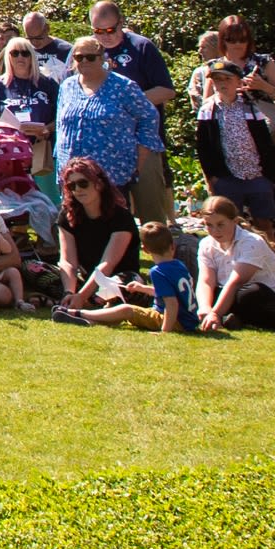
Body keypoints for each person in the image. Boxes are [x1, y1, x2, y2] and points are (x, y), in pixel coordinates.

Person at [55, 33, 169, 240]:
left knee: (112, 229)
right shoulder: (67, 87)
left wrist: (140, 157)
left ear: (103, 59)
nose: (84, 62)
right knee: (78, 229)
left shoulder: (123, 86)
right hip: (73, 176)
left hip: (111, 174)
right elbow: (61, 126)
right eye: (79, 57)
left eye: (91, 57)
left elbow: (149, 118)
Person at [86, 0, 177, 220]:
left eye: (110, 30)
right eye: (98, 31)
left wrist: (126, 101)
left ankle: (159, 249)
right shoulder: (88, 52)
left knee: (150, 210)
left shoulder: (141, 47)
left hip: (141, 142)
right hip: (103, 145)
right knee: (111, 212)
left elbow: (166, 91)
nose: (105, 36)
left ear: (121, 23)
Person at [197, 58, 275, 236]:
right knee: (229, 224)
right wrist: (213, 178)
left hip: (256, 174)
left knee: (264, 224)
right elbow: (203, 148)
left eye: (227, 79)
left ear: (238, 82)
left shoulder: (251, 107)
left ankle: (269, 260)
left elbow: (265, 143)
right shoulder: (208, 110)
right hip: (227, 177)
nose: (222, 84)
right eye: (217, 80)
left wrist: (267, 175)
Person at [51, 156, 143, 316]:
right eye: (72, 186)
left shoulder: (121, 217)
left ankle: (90, 302)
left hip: (116, 278)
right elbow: (68, 262)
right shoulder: (67, 216)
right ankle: (72, 300)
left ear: (99, 184)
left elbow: (108, 263)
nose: (78, 189)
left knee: (125, 285)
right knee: (31, 267)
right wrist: (69, 292)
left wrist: (82, 295)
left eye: (83, 183)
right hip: (85, 280)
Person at [196, 195, 275, 331]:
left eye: (220, 224)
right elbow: (206, 280)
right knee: (200, 290)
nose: (215, 231)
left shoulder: (251, 242)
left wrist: (215, 313)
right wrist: (205, 308)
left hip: (272, 305)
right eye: (209, 225)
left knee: (250, 293)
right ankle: (232, 318)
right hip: (231, 294)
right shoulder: (206, 244)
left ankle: (226, 316)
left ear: (234, 221)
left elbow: (236, 282)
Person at [61, 221, 189, 330]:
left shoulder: (159, 271)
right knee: (121, 311)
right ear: (173, 245)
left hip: (176, 321)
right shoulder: (179, 265)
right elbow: (169, 292)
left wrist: (165, 331)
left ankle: (78, 314)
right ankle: (92, 320)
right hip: (187, 319)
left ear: (145, 249)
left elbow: (171, 303)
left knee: (126, 310)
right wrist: (142, 288)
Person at [0, 37, 62, 199]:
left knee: (49, 199)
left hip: (41, 149)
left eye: (25, 53)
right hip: (11, 150)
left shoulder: (47, 83)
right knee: (17, 199)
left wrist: (47, 129)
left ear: (32, 56)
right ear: (8, 57)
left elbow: (61, 114)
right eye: (14, 53)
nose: (20, 58)